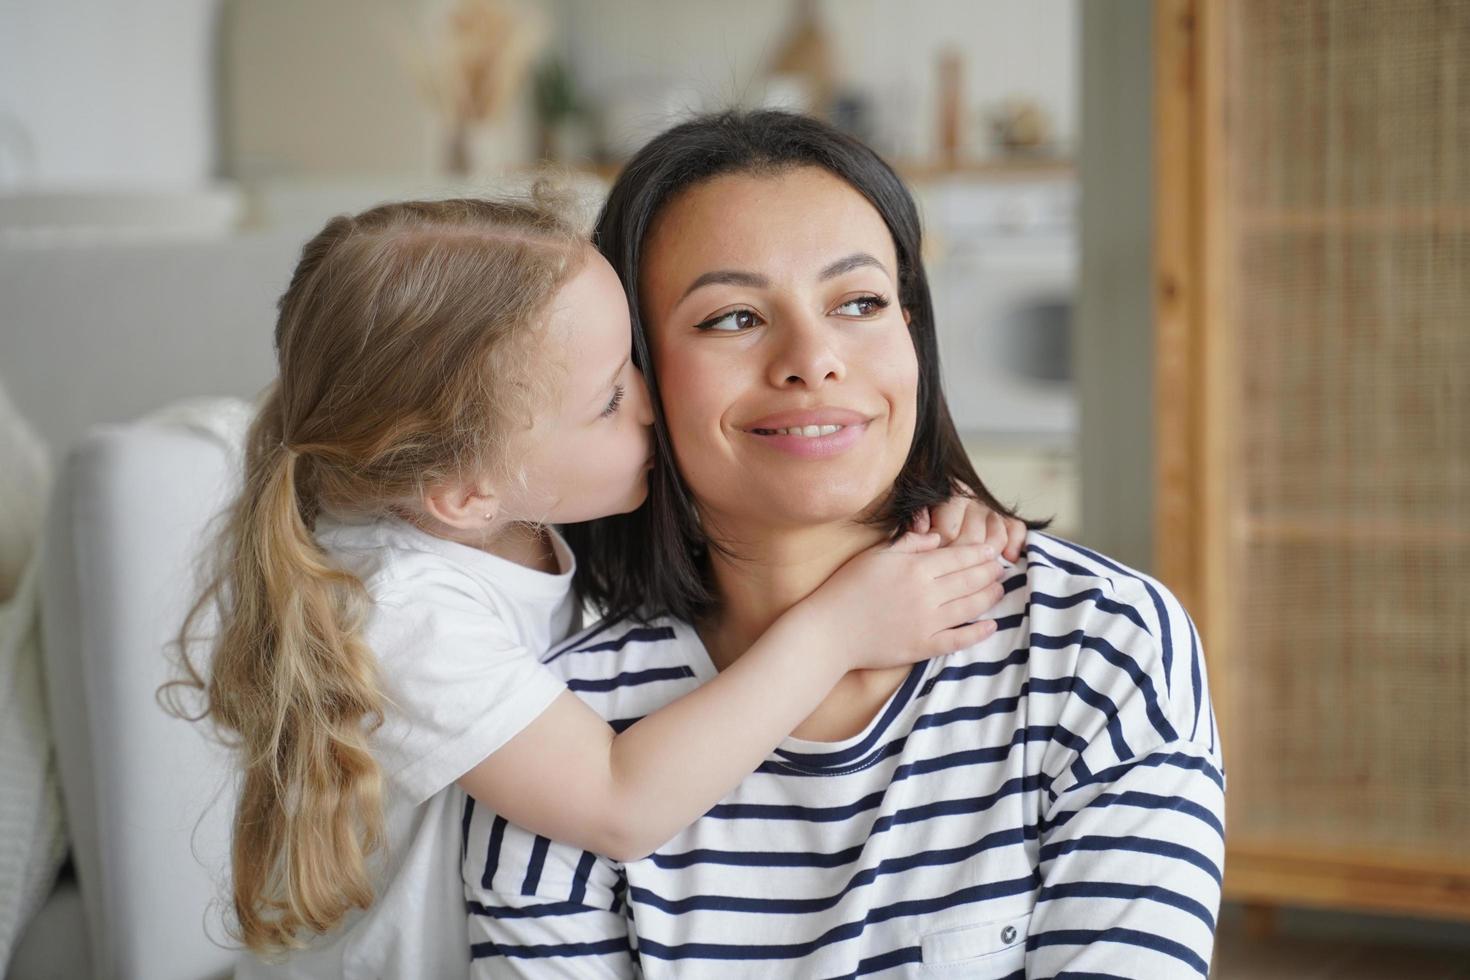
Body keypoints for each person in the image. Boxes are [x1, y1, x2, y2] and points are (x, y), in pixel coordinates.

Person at [170, 196, 1025, 978]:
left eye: (636, 362)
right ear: (467, 493)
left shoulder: (518, 502)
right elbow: (620, 802)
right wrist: (842, 628)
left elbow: (772, 502)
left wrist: (928, 512)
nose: (653, 403)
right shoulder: (400, 610)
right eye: (611, 397)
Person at [462, 112, 1225, 978]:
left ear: (911, 333)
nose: (813, 359)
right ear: (631, 373)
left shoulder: (1099, 646)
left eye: (858, 302)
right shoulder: (559, 731)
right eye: (734, 317)